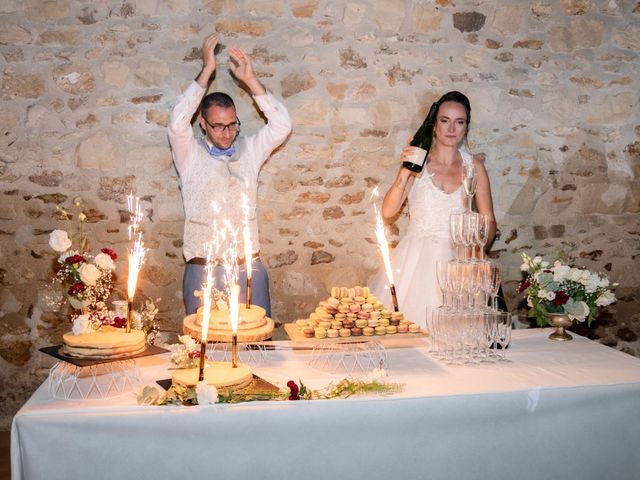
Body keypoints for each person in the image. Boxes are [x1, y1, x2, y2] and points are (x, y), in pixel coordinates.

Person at [168, 33, 292, 317]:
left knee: (257, 346)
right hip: (203, 269)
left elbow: (282, 125)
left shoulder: (250, 150)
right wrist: (207, 71)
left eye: (232, 124)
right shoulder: (190, 156)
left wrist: (251, 81)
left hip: (249, 268)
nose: (227, 133)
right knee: (203, 352)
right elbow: (176, 124)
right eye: (218, 126)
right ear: (203, 124)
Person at [370, 91, 496, 329]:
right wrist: (405, 171)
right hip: (415, 262)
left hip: (458, 264)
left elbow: (489, 221)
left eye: (459, 122)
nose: (451, 128)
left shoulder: (475, 167)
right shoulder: (419, 161)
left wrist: (478, 247)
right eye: (444, 120)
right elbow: (388, 212)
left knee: (459, 335)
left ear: (466, 127)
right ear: (434, 125)